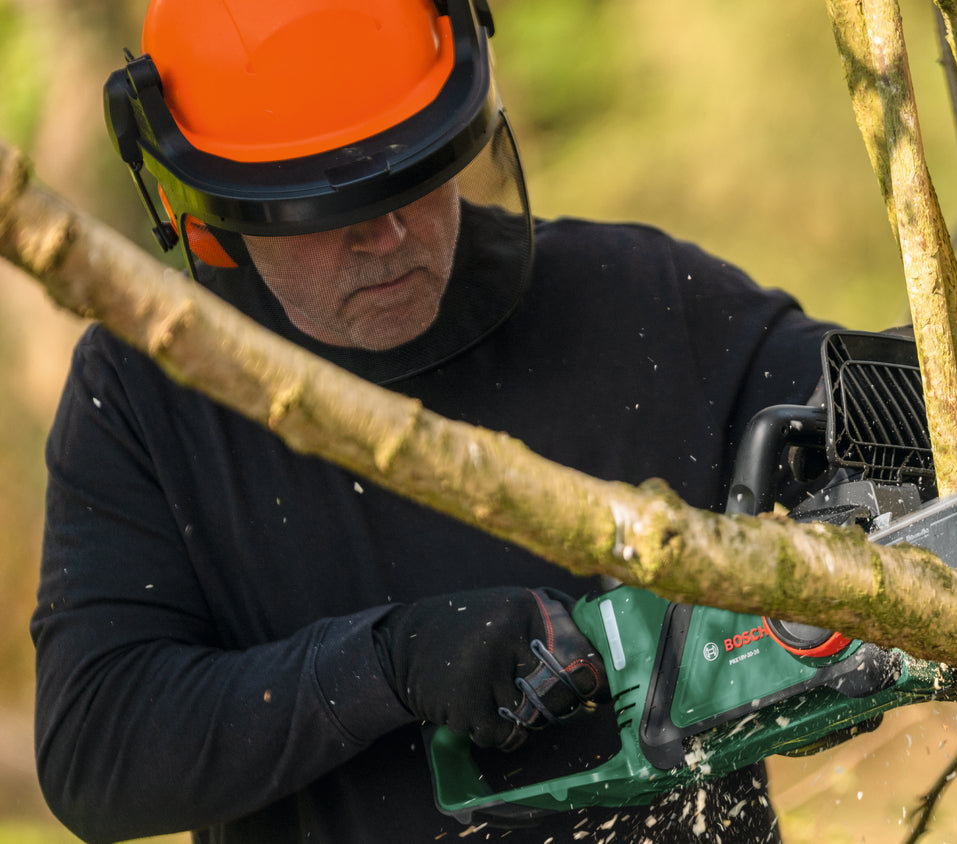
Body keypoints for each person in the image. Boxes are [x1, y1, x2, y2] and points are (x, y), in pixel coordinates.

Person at [34, 1, 838, 841]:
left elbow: (881, 396)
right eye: (328, 210)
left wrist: (887, 437)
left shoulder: (636, 299)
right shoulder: (148, 389)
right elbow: (95, 750)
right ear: (210, 209)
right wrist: (379, 666)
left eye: (414, 174)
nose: (386, 235)